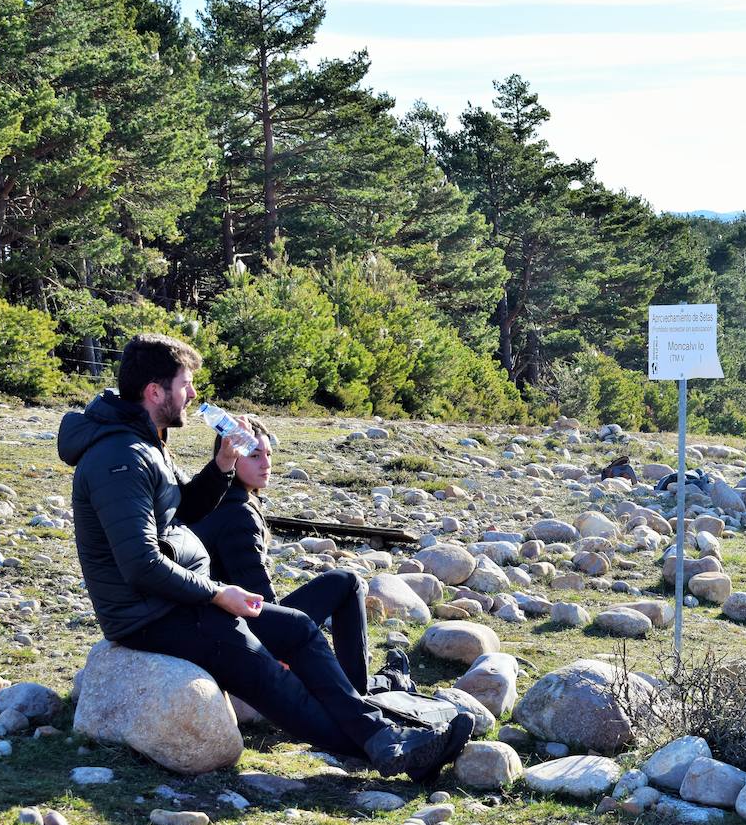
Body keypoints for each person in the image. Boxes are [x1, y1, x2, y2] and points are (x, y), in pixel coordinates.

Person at [57, 333, 470, 779]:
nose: (193, 394)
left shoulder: (146, 441)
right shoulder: (119, 457)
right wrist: (218, 594)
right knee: (271, 678)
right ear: (154, 391)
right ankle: (384, 746)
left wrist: (222, 465)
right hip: (151, 615)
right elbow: (140, 565)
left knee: (297, 626)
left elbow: (182, 512)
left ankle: (384, 736)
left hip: (177, 602)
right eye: (185, 384)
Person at [190, 417, 370, 691]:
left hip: (213, 624)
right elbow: (259, 599)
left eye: (268, 454)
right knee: (347, 582)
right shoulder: (238, 514)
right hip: (238, 632)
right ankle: (357, 689)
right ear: (233, 458)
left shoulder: (210, 497)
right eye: (254, 455)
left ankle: (352, 681)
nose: (266, 464)